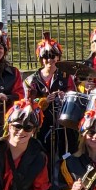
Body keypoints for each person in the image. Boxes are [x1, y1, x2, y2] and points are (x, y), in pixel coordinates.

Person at [26, 33, 77, 172]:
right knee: (43, 154)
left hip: (63, 124)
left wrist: (65, 96)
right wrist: (43, 101)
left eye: (53, 56)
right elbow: (28, 101)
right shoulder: (32, 79)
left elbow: (74, 97)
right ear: (41, 59)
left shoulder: (66, 76)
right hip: (42, 124)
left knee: (67, 152)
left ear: (58, 57)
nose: (50, 59)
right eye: (46, 56)